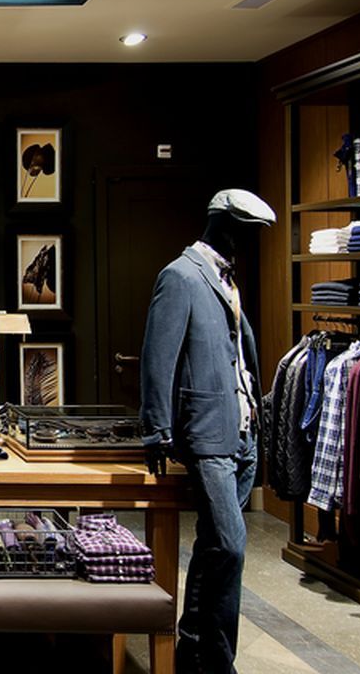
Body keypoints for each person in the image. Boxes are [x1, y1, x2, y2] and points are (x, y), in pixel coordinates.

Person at [140, 188, 275, 674]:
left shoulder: (225, 279)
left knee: (215, 546)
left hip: (240, 431)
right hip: (205, 434)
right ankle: (217, 661)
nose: (251, 243)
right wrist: (156, 428)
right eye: (247, 232)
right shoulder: (181, 276)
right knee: (231, 545)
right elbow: (159, 356)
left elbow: (237, 355)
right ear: (224, 225)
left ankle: (194, 650)